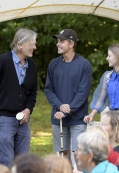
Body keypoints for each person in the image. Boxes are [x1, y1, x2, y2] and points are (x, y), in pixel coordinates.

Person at [0, 28, 38, 167]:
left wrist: (27, 110)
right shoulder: (3, 60)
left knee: (23, 162)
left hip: (23, 121)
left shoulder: (32, 66)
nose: (34, 47)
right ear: (20, 45)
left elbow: (32, 93)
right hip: (3, 119)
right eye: (32, 44)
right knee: (6, 161)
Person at [44, 29, 92, 163]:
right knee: (63, 157)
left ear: (71, 44)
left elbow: (83, 93)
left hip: (77, 118)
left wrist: (66, 111)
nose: (57, 44)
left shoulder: (84, 65)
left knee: (79, 156)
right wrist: (59, 106)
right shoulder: (53, 64)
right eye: (57, 41)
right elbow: (48, 89)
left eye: (62, 41)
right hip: (58, 118)